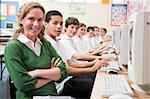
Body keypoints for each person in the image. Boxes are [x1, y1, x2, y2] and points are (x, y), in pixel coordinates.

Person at [4, 2, 67, 99]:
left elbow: (63, 72)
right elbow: (23, 84)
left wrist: (37, 72)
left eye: (40, 20)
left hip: (52, 96)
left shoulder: (44, 44)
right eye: (31, 19)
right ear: (21, 19)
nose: (36, 24)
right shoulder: (13, 47)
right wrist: (51, 73)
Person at [44, 10, 109, 99]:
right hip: (62, 85)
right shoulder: (48, 43)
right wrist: (92, 67)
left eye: (60, 24)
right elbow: (64, 69)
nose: (59, 27)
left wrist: (93, 63)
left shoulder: (59, 42)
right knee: (96, 85)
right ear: (45, 24)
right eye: (55, 23)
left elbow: (69, 63)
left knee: (98, 79)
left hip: (69, 78)